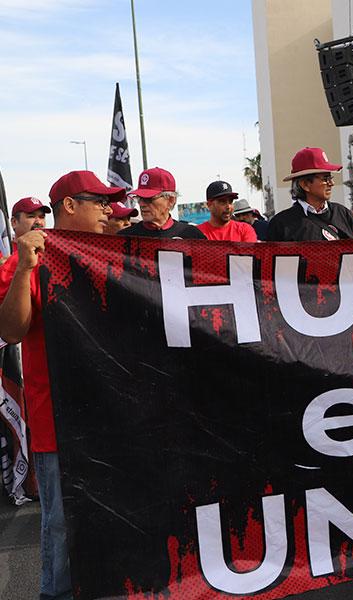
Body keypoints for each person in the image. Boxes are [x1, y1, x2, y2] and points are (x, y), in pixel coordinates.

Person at [0, 170, 124, 600]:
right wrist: (24, 269)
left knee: (115, 521)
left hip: (112, 416)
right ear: (70, 206)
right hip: (59, 422)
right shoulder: (29, 259)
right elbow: (11, 331)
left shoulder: (112, 256)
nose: (108, 209)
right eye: (99, 201)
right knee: (62, 527)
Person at [266, 147, 353, 241]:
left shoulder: (344, 215)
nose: (332, 183)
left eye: (331, 178)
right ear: (305, 184)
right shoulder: (281, 225)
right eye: (325, 179)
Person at [120, 168, 206, 239]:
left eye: (149, 198)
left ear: (171, 200)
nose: (141, 204)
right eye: (139, 198)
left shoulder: (192, 236)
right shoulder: (124, 238)